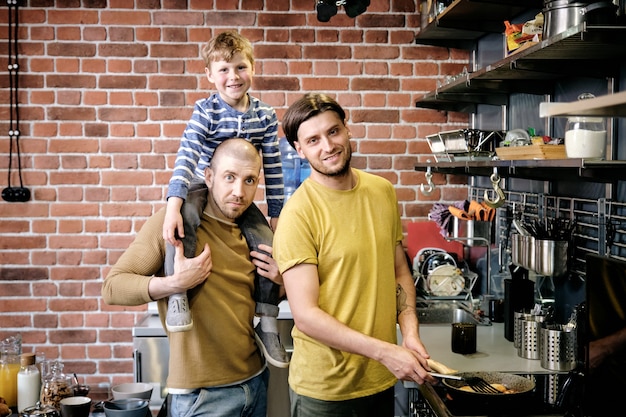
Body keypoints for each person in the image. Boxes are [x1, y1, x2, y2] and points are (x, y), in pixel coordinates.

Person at [273, 93, 437, 417]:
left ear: (347, 130)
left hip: (379, 380)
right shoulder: (298, 215)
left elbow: (399, 271)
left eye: (333, 132)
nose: (328, 146)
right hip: (326, 391)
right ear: (299, 149)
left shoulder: (382, 191)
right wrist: (386, 352)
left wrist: (410, 333)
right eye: (313, 140)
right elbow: (305, 316)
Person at [102, 139, 281, 417]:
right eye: (229, 177)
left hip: (256, 381)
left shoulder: (254, 235)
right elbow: (113, 287)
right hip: (201, 397)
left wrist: (280, 281)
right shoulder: (175, 225)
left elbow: (256, 299)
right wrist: (173, 283)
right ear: (209, 176)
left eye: (249, 181)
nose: (239, 192)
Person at [161, 30, 288, 367]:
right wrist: (173, 204)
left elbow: (273, 169)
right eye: (224, 69)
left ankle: (268, 320)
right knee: (184, 222)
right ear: (209, 75)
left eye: (241, 67)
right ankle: (178, 295)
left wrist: (276, 216)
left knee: (265, 243)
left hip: (240, 196)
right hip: (204, 189)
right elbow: (186, 157)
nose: (233, 77)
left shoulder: (265, 116)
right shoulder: (205, 111)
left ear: (253, 69)